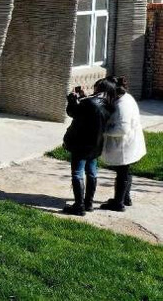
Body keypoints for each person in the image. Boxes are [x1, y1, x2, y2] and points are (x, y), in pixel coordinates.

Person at [61, 78, 116, 216]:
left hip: (81, 144)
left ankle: (78, 206)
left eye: (95, 87)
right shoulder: (109, 105)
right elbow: (93, 111)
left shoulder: (88, 103)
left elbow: (72, 112)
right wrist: (84, 98)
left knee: (77, 173)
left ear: (99, 88)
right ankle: (88, 203)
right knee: (92, 173)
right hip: (96, 145)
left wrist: (72, 99)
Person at [100, 76, 146, 212]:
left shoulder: (122, 105)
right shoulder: (126, 98)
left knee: (122, 174)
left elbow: (122, 129)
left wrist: (104, 130)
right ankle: (125, 197)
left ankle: (118, 203)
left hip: (125, 146)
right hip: (130, 144)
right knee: (125, 172)